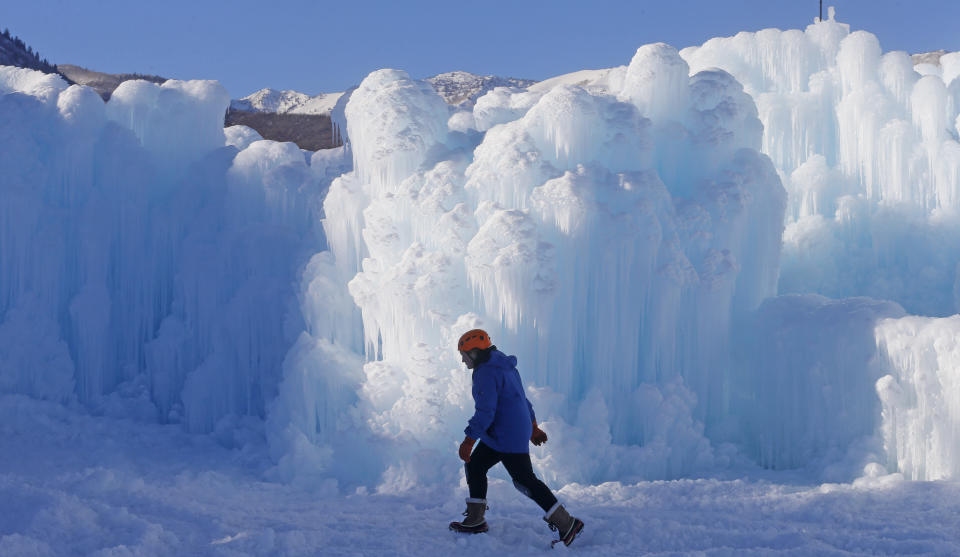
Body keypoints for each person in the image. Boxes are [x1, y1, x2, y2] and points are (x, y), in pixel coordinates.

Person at [448, 329, 584, 547]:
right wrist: (532, 426)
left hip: (506, 433)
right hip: (507, 430)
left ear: (474, 353)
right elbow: (522, 399)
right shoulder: (504, 365)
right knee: (475, 465)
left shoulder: (485, 372)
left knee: (524, 480)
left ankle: (567, 524)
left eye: (464, 354)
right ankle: (475, 520)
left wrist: (468, 440)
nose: (462, 360)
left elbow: (486, 412)